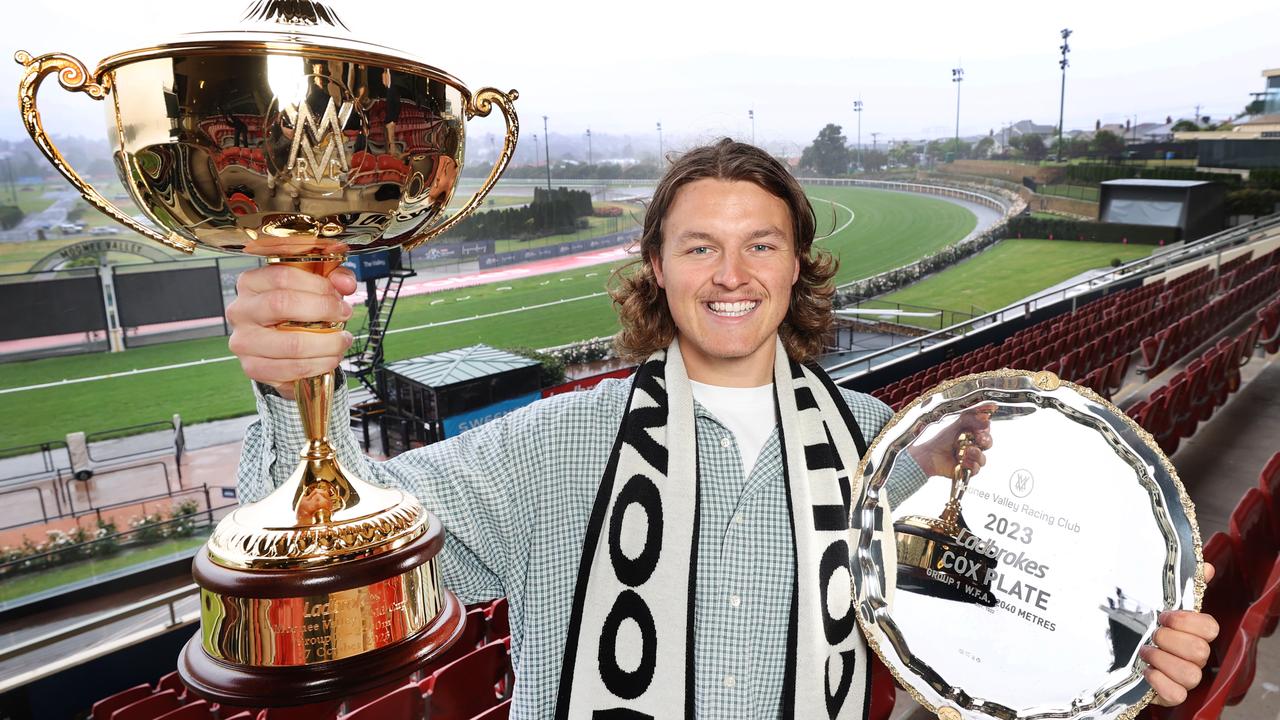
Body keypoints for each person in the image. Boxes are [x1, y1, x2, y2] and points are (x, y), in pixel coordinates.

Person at [227, 139, 1217, 718]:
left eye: (760, 245)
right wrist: (288, 392)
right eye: (699, 245)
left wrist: (1136, 644)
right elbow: (333, 543)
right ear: (656, 267)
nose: (731, 274)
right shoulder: (544, 446)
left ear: (796, 268)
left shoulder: (882, 447)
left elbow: (997, 610)